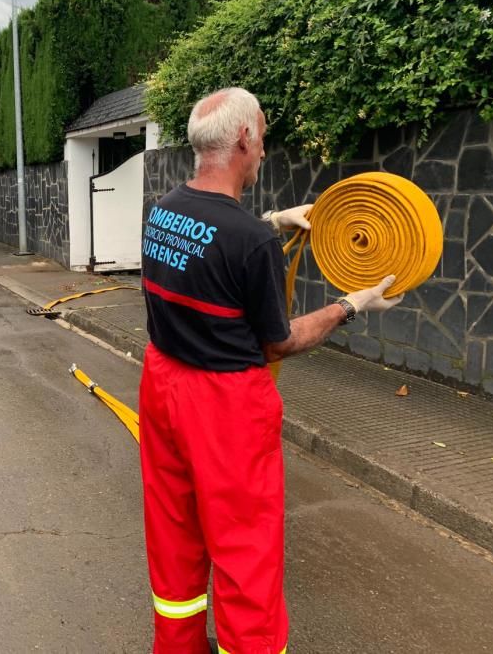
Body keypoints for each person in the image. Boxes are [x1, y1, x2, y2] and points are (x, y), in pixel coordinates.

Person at [138, 87, 402, 654]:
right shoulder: (251, 242)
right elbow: (279, 343)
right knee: (244, 553)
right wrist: (350, 304)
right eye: (262, 136)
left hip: (162, 387)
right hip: (226, 410)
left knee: (175, 535)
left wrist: (276, 220)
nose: (263, 150)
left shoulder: (163, 209)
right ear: (242, 139)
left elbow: (208, 237)